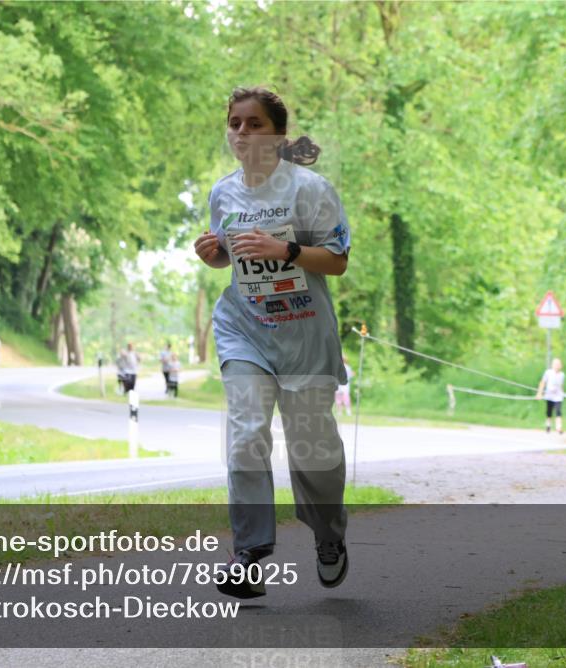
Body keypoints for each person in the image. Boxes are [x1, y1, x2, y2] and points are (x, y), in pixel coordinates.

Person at [194, 86, 351, 598]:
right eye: (235, 123)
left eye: (254, 123)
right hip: (245, 328)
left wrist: (283, 249)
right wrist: (213, 253)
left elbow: (337, 259)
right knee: (246, 433)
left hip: (304, 335)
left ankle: (328, 535)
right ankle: (249, 553)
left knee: (312, 451)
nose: (241, 132)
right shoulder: (224, 193)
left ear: (278, 133)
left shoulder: (310, 189)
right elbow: (230, 256)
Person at [536, 357, 565, 434]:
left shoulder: (562, 375)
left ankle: (558, 427)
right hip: (549, 395)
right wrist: (539, 393)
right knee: (549, 411)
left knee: (558, 411)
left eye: (558, 364)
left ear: (561, 366)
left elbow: (561, 385)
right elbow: (543, 382)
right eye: (555, 364)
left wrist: (562, 393)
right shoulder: (548, 373)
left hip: (558, 396)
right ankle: (548, 425)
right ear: (552, 365)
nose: (557, 366)